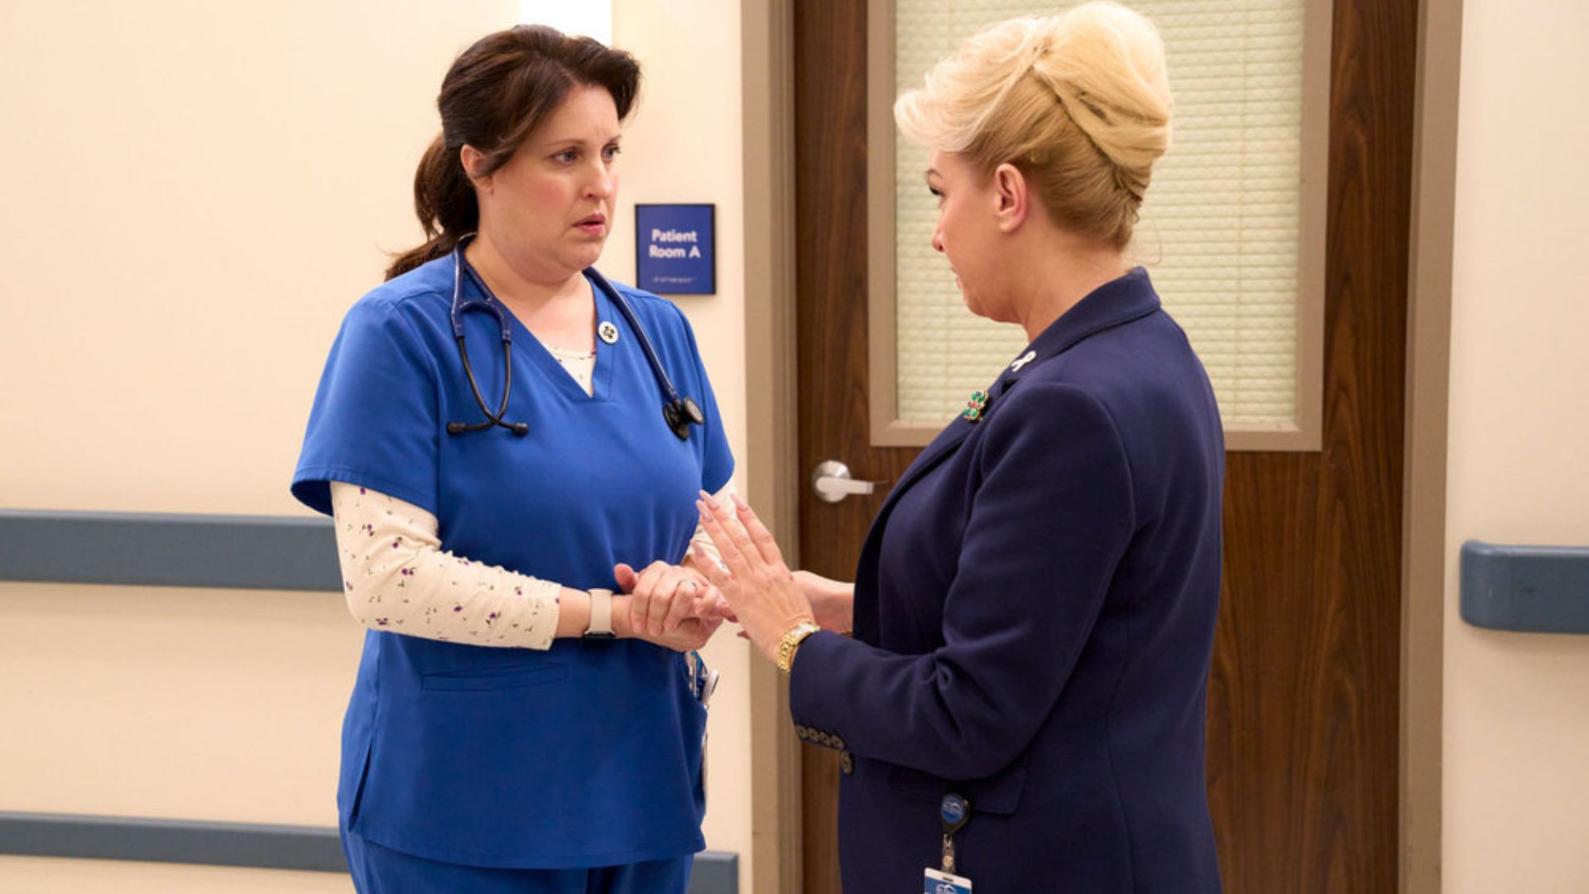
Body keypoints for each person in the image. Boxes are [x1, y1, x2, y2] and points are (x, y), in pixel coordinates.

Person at [694, 4, 1224, 891]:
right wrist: (836, 606)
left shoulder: (1073, 405)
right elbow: (1048, 620)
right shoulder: (1134, 348)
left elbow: (969, 712)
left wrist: (792, 641)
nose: (937, 232)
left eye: (942, 193)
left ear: (1010, 195)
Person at [289, 25, 735, 893]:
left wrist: (690, 582)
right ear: (479, 166)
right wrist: (613, 615)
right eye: (564, 156)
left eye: (609, 151)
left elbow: (708, 521)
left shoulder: (655, 331)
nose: (599, 184)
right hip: (466, 799)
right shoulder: (400, 333)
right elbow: (385, 579)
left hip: (640, 779)